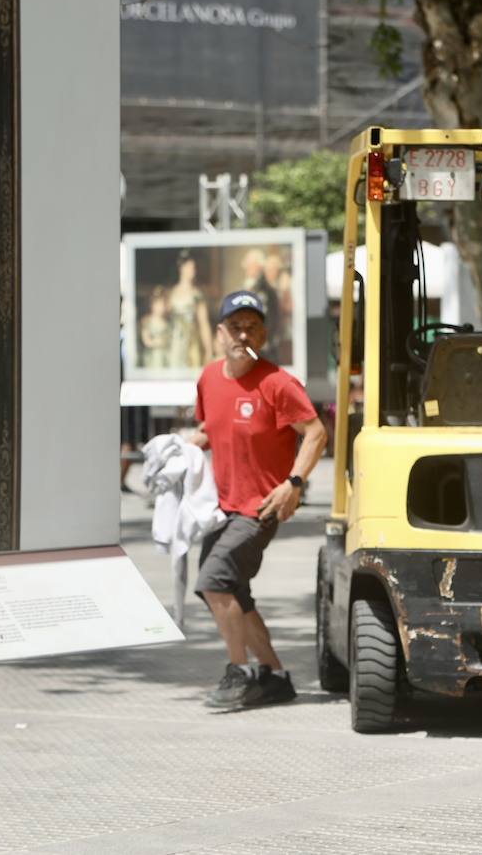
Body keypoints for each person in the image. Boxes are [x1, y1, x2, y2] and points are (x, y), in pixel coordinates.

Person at [191, 290, 327, 708]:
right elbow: (209, 430)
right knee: (232, 591)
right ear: (219, 334)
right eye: (235, 327)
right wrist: (178, 450)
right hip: (223, 507)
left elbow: (317, 432)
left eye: (251, 327)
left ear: (264, 335)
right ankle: (275, 676)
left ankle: (240, 673)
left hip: (260, 507)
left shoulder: (278, 383)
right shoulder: (209, 379)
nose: (242, 334)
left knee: (215, 582)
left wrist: (294, 483)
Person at [167, 251, 212, 368]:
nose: (192, 270)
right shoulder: (171, 293)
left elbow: (204, 324)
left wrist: (208, 350)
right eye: (189, 267)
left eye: (193, 267)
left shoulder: (197, 295)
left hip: (191, 344)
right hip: (174, 344)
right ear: (181, 268)